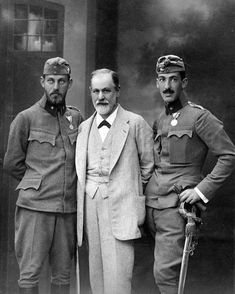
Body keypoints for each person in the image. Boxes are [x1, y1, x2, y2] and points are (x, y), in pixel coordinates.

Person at [145, 54, 235, 294]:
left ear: (184, 82)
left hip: (177, 208)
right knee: (156, 272)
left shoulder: (200, 117)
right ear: (157, 83)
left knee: (164, 275)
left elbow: (229, 156)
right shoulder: (160, 120)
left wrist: (200, 191)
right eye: (162, 79)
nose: (167, 86)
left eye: (173, 79)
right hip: (153, 207)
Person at [3, 57, 83, 294]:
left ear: (70, 83)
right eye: (51, 81)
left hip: (67, 211)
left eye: (61, 81)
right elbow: (11, 163)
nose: (56, 87)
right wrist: (37, 183)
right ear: (42, 82)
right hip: (35, 209)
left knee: (62, 275)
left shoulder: (75, 118)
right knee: (29, 275)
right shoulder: (25, 118)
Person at [75, 68, 154, 294]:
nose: (101, 97)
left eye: (107, 91)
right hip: (90, 204)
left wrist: (129, 190)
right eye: (96, 91)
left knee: (119, 274)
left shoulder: (135, 123)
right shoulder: (83, 127)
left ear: (117, 91)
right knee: (96, 271)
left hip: (121, 204)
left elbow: (148, 166)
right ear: (90, 92)